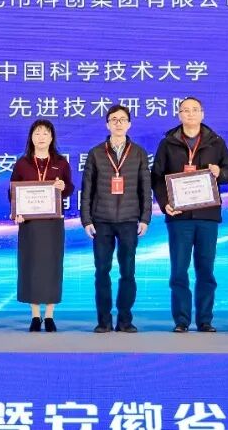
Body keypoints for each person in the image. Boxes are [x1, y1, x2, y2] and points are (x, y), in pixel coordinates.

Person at [152, 97, 228, 333]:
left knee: (205, 270)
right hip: (179, 216)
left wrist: (219, 172)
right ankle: (181, 320)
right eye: (185, 110)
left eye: (195, 110)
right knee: (179, 271)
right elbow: (157, 177)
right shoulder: (168, 143)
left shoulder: (216, 142)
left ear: (202, 114)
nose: (190, 114)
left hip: (207, 215)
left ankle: (205, 319)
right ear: (179, 115)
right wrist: (165, 203)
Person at [80, 105, 152, 334]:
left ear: (129, 124)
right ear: (107, 124)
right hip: (101, 220)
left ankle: (125, 320)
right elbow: (87, 189)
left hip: (129, 220)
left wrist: (145, 218)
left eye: (122, 119)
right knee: (102, 271)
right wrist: (86, 220)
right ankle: (103, 321)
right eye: (114, 119)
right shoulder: (96, 153)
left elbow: (145, 188)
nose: (118, 123)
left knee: (128, 272)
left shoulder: (139, 153)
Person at [11, 120, 74, 332]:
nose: (41, 137)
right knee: (31, 266)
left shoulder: (61, 162)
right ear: (31, 137)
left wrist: (63, 186)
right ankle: (35, 315)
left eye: (45, 133)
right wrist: (17, 212)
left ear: (52, 137)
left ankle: (49, 316)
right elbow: (13, 192)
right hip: (29, 224)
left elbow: (69, 188)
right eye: (37, 133)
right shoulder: (22, 163)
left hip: (53, 223)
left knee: (51, 267)